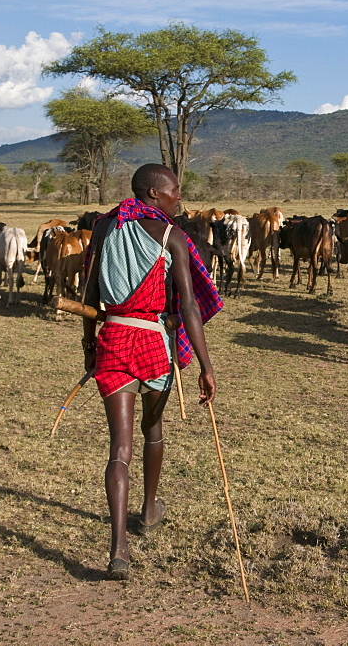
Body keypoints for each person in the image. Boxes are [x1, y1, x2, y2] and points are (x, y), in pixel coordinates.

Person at [80, 163, 222, 581]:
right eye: (176, 191)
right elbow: (190, 307)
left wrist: (90, 347)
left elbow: (88, 296)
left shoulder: (104, 230)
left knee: (118, 451)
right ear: (155, 193)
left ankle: (119, 548)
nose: (180, 197)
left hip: (113, 341)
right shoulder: (171, 236)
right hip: (152, 345)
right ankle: (149, 508)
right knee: (153, 431)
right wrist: (206, 366)